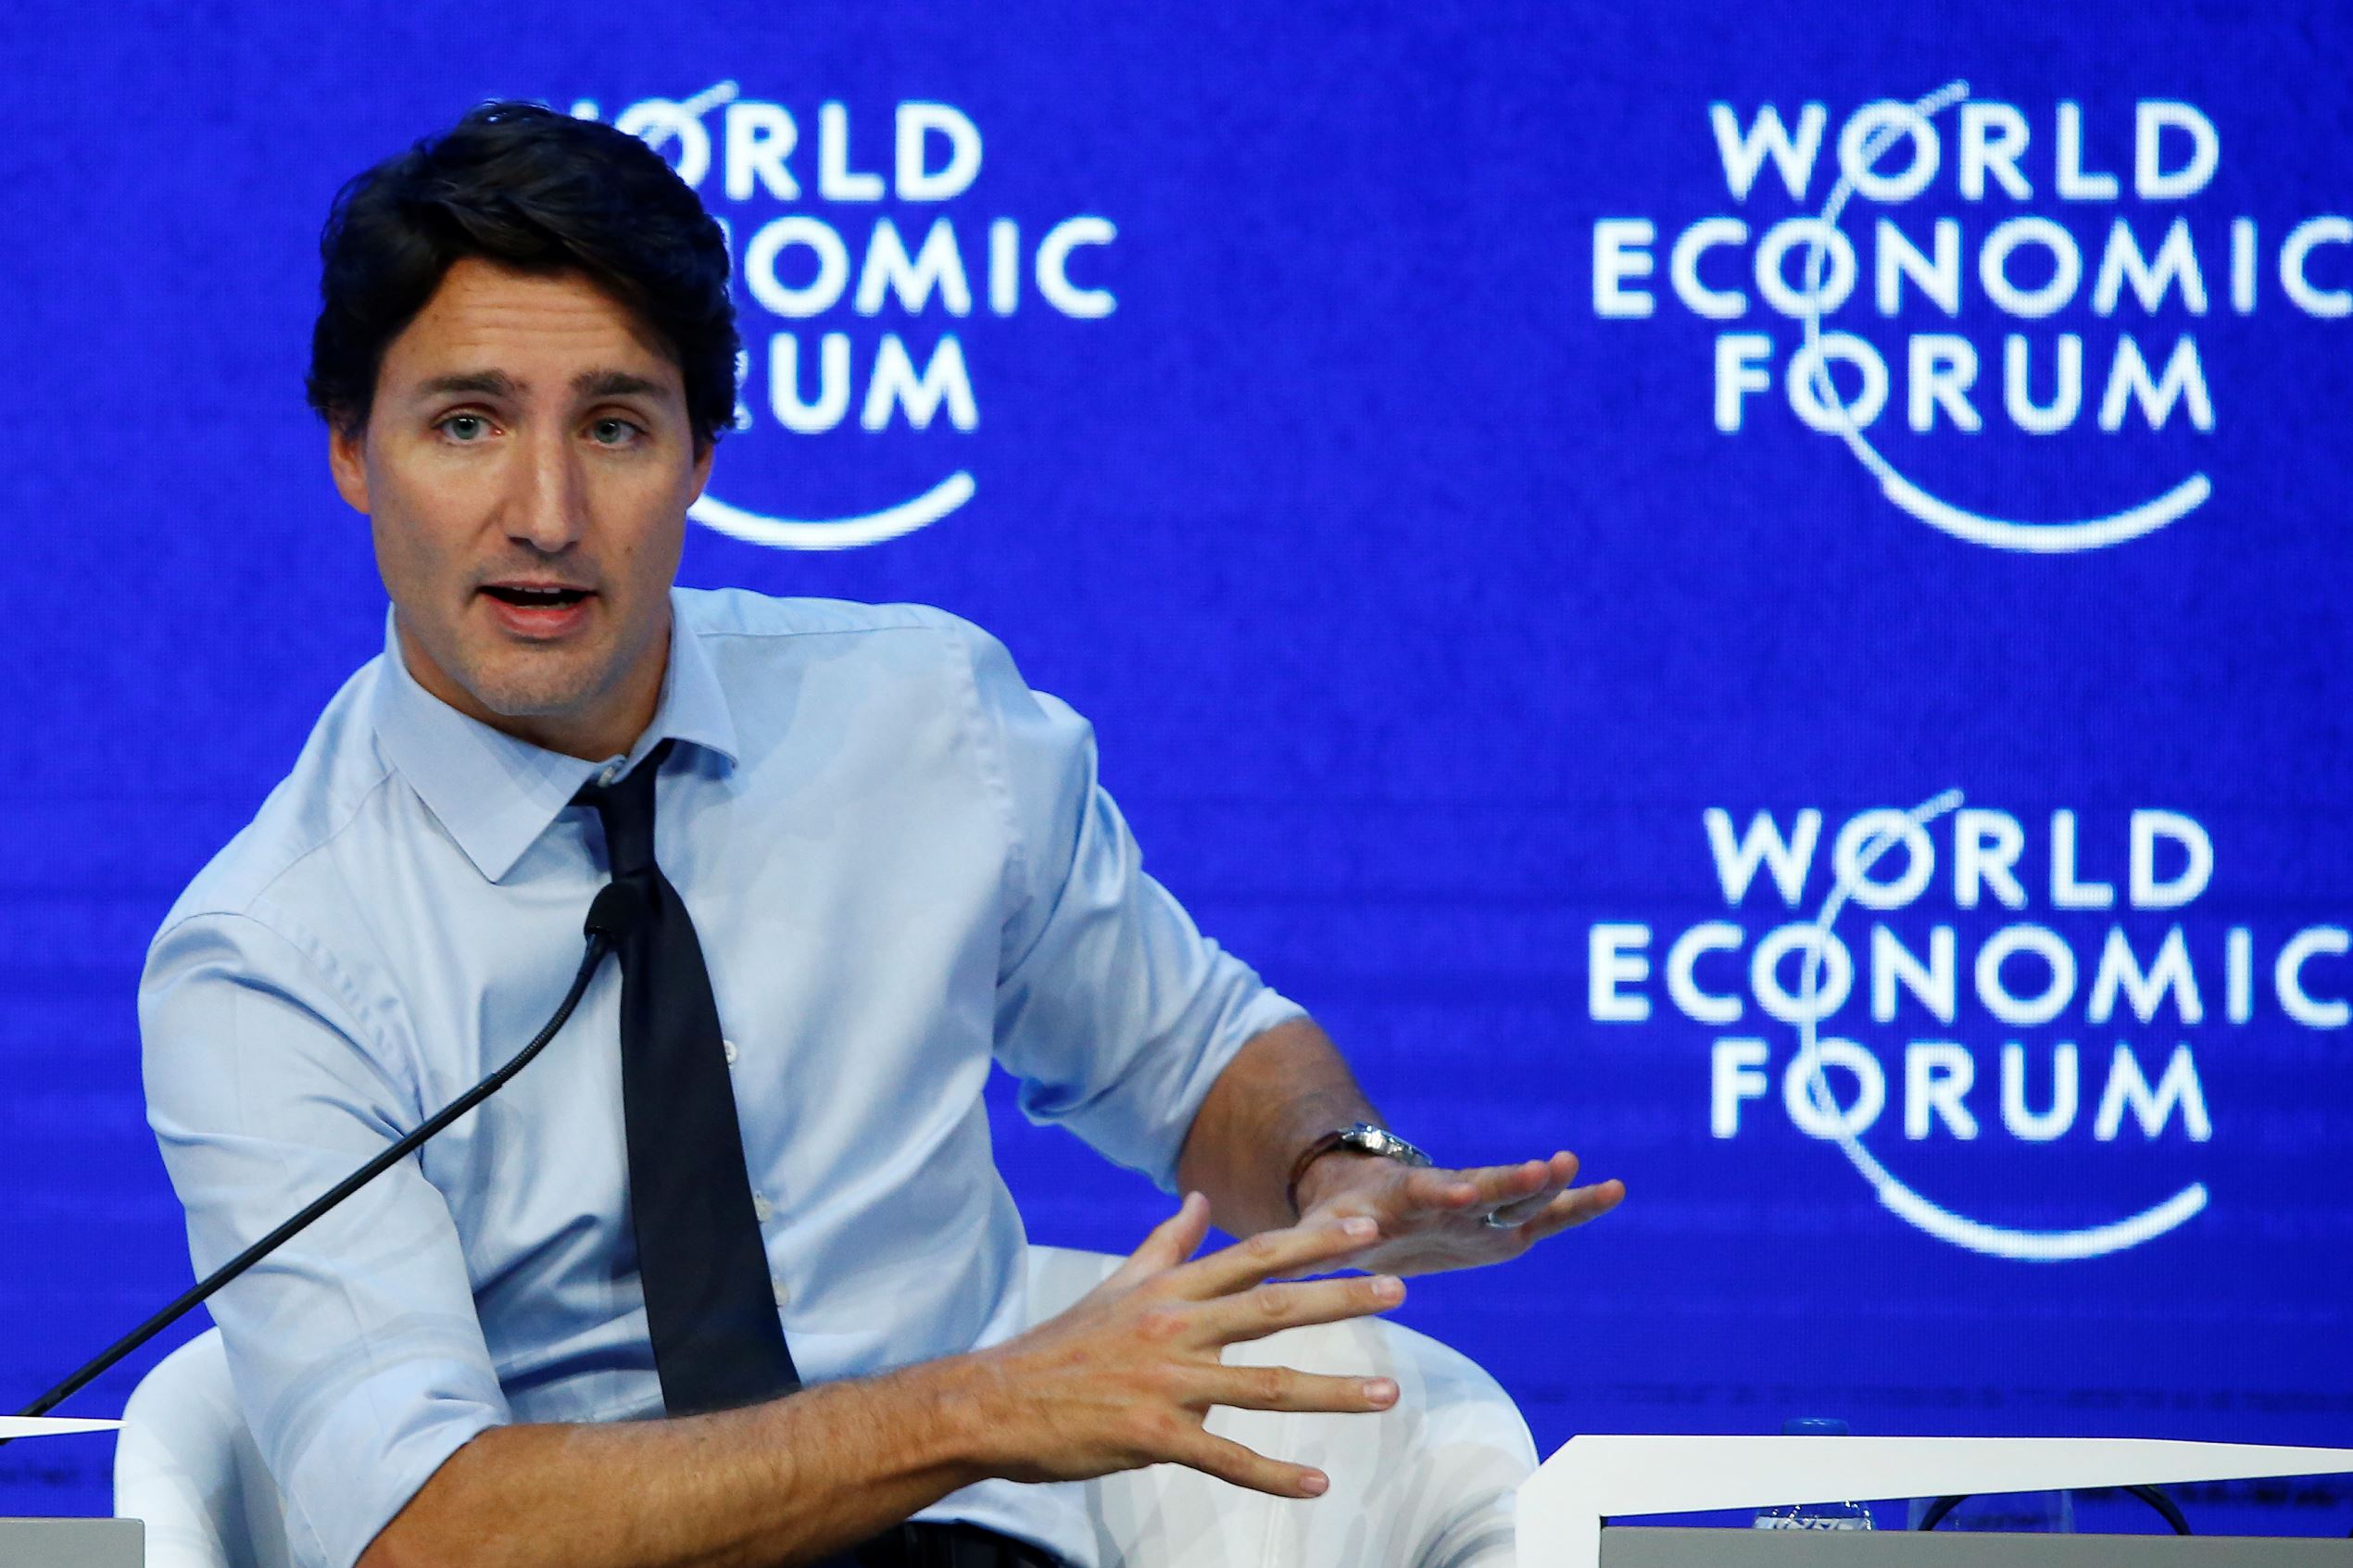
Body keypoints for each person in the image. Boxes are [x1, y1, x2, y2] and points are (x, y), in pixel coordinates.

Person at [139, 100, 1624, 1568]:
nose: (545, 511)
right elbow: (427, 1530)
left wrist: (1326, 1157)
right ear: (350, 451)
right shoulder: (269, 958)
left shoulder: (924, 719)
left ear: (702, 456)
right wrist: (983, 1402)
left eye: (615, 425)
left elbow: (1197, 1054)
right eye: (467, 423)